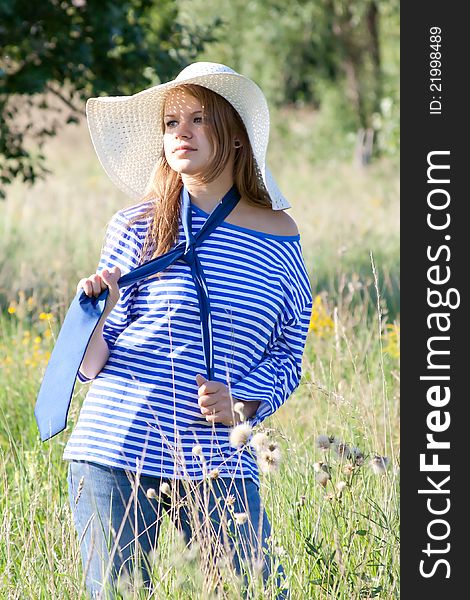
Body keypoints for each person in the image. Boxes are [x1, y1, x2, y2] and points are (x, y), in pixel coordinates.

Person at [63, 62, 313, 599]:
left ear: (237, 138)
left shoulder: (279, 235)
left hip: (221, 457)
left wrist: (245, 402)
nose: (182, 131)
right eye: (172, 121)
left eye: (199, 118)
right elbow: (90, 366)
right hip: (115, 450)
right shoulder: (137, 223)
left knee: (259, 591)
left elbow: (290, 352)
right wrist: (94, 314)